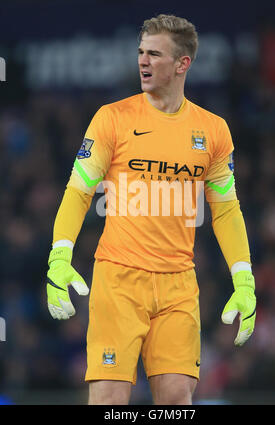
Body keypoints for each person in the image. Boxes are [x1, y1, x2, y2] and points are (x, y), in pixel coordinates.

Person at [45, 14, 256, 405]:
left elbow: (226, 209)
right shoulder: (112, 118)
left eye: (154, 54)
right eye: (141, 52)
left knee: (177, 399)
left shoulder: (214, 131)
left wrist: (243, 279)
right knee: (109, 400)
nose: (143, 61)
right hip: (118, 281)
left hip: (179, 285)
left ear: (182, 64)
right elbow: (78, 191)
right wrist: (60, 253)